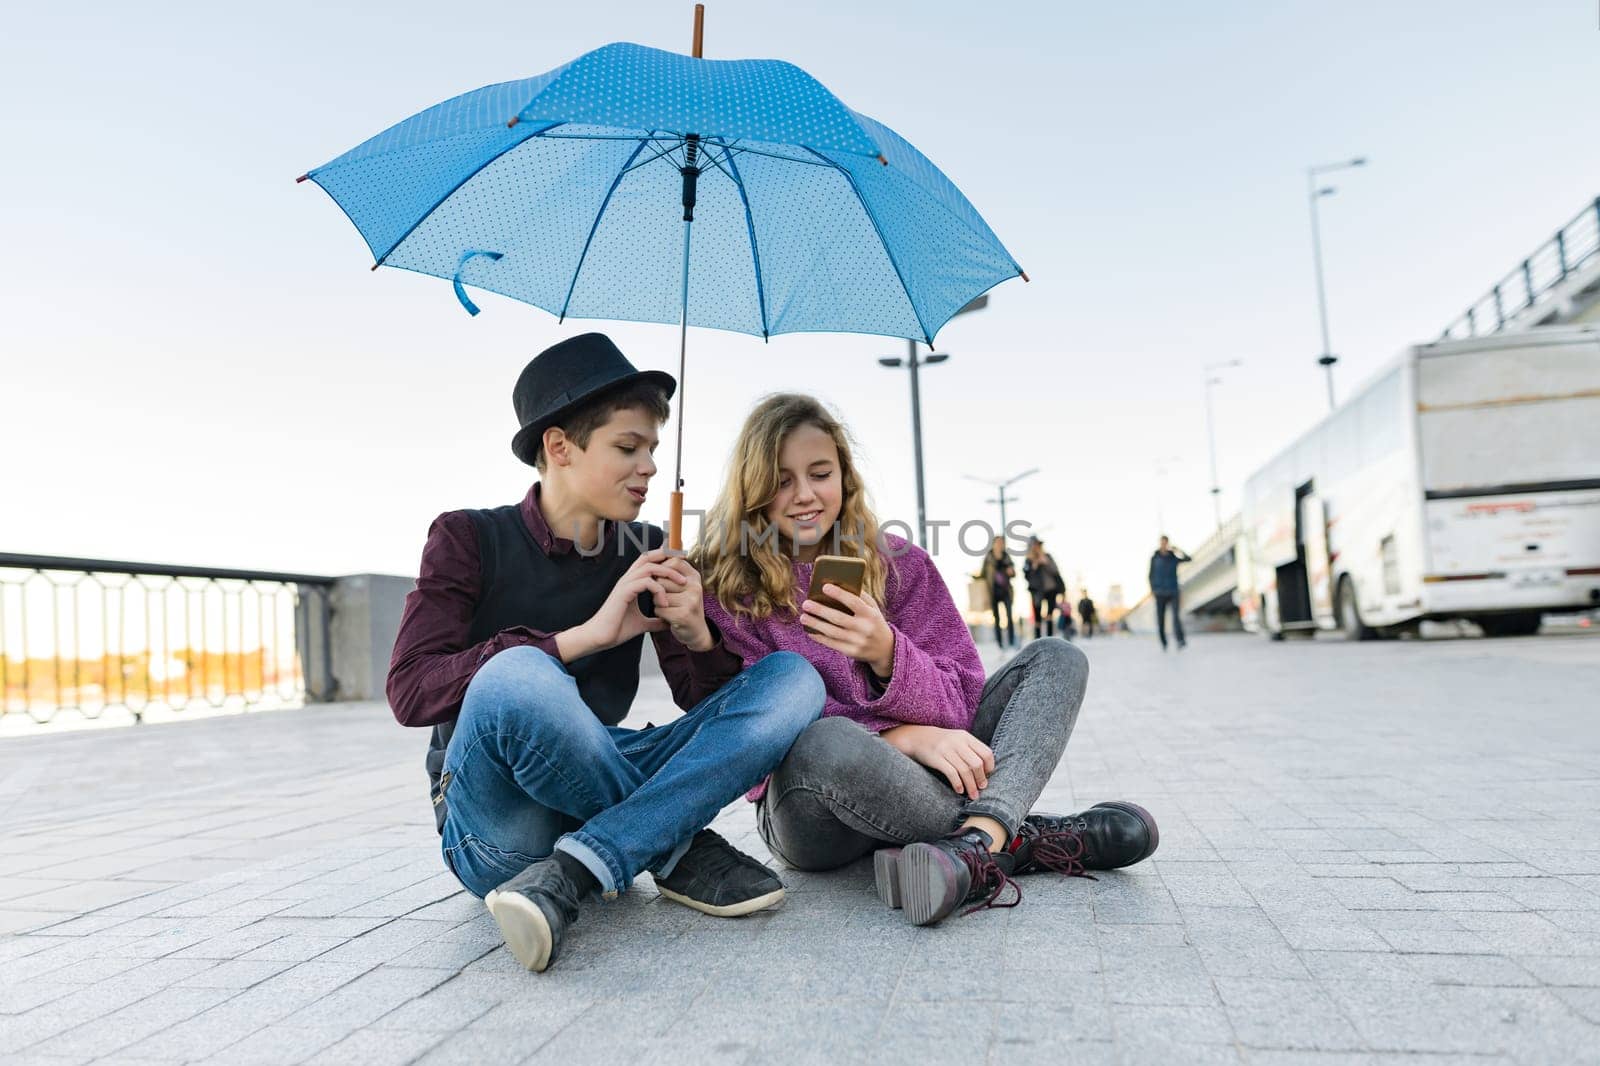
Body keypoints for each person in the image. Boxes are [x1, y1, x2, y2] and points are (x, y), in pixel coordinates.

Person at [386, 334, 825, 973]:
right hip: (498, 824)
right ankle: (673, 846)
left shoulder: (648, 545)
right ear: (559, 447)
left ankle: (585, 866)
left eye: (651, 449)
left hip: (600, 768)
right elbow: (410, 689)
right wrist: (585, 637)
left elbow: (715, 719)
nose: (648, 467)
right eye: (627, 448)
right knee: (517, 677)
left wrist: (697, 633)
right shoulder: (467, 537)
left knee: (794, 679)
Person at [691, 394, 1159, 927]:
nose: (804, 495)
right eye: (780, 480)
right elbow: (758, 743)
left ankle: (973, 850)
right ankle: (1017, 837)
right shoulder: (729, 587)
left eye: (820, 473)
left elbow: (964, 700)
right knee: (825, 743)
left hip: (927, 780)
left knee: (1056, 658)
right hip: (809, 807)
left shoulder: (901, 564)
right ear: (753, 489)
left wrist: (887, 652)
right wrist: (902, 737)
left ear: (845, 476)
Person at [1149, 535, 1191, 650]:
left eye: (1165, 543)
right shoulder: (1154, 558)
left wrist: (1178, 550)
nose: (1164, 545)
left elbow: (1189, 559)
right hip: (1160, 593)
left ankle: (1180, 640)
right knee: (1161, 619)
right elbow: (1150, 575)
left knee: (1176, 617)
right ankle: (1164, 642)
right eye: (1162, 542)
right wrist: (1153, 589)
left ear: (1168, 544)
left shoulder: (1173, 557)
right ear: (1160, 543)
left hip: (1173, 591)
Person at [975, 536, 1017, 648]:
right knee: (997, 619)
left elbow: (1014, 573)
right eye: (998, 542)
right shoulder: (988, 557)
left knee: (1009, 617)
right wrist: (975, 577)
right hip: (993, 592)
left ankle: (1011, 642)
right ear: (993, 544)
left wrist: (1011, 572)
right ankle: (1000, 644)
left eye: (1001, 543)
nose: (1000, 544)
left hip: (1006, 591)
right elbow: (983, 574)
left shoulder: (1006, 557)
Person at [1023, 538, 1065, 640]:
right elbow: (1026, 576)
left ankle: (1050, 639)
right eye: (1035, 546)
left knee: (1050, 614)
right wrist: (1034, 566)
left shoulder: (1047, 557)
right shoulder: (1028, 560)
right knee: (1037, 617)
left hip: (1050, 589)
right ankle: (1037, 639)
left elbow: (1055, 571)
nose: (1037, 548)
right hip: (1036, 591)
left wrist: (1046, 562)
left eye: (1038, 545)